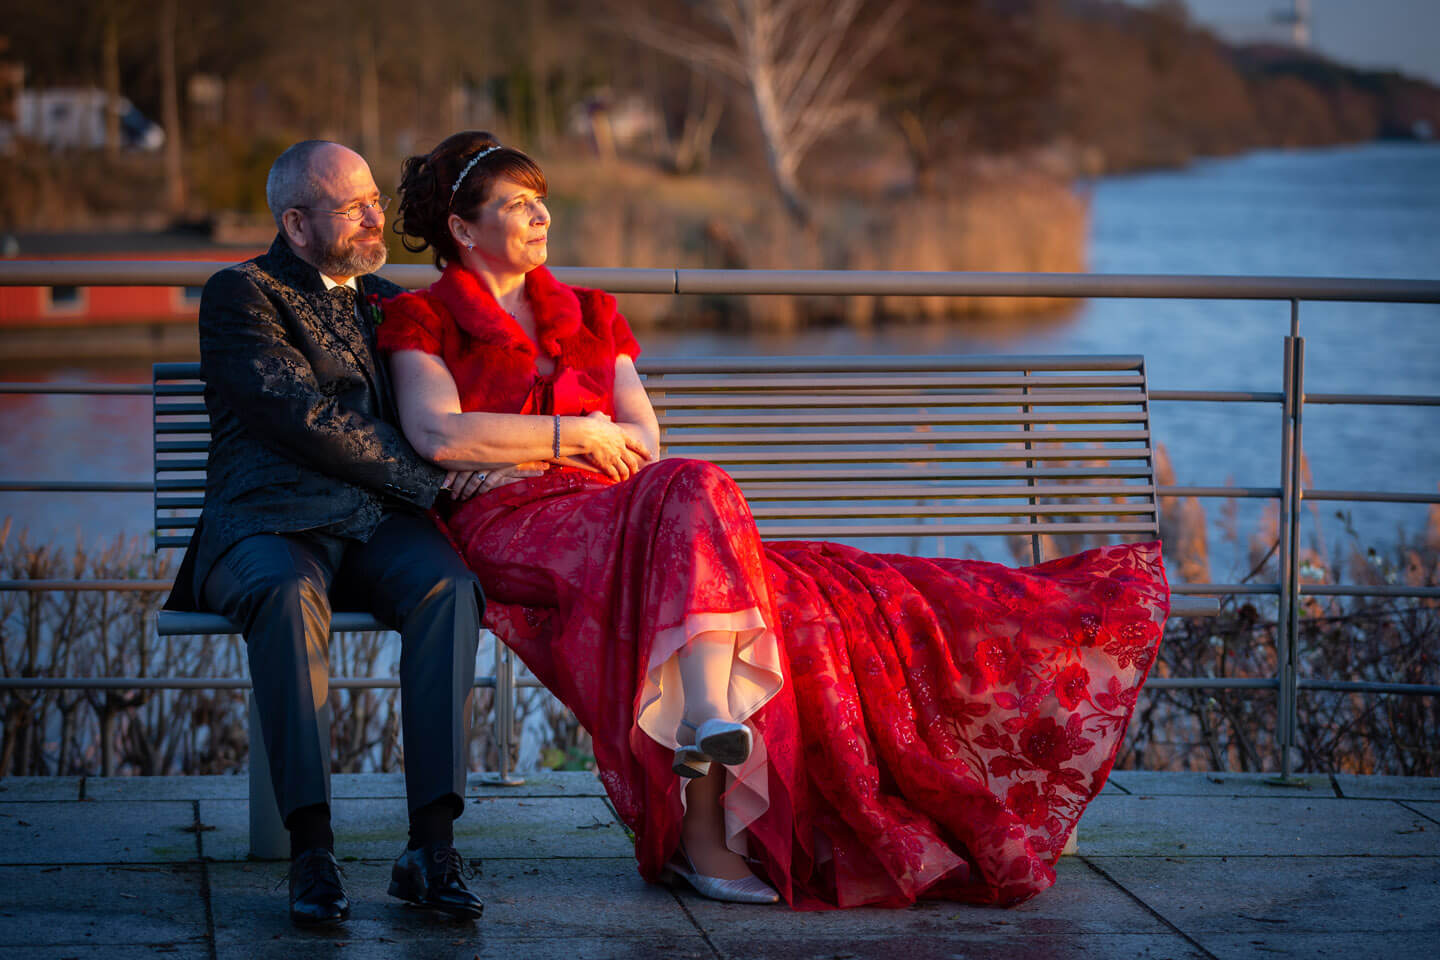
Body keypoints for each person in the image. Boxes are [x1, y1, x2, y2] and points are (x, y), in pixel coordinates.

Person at [377, 131, 1172, 910]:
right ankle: (706, 759)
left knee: (798, 590)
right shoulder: (423, 319)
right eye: (519, 204)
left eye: (544, 202)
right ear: (462, 228)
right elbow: (439, 433)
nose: (543, 216)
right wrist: (576, 436)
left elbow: (646, 440)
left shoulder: (590, 313)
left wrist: (573, 445)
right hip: (515, 526)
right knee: (702, 506)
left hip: (626, 517)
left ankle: (707, 788)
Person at [164, 140, 485, 926]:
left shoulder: (390, 298)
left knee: (451, 586)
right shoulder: (241, 294)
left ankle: (431, 850)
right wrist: (433, 484)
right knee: (282, 595)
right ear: (296, 223)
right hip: (267, 524)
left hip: (376, 525)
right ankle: (312, 852)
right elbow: (304, 419)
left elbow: (439, 410)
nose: (377, 216)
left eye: (375, 198)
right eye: (354, 207)